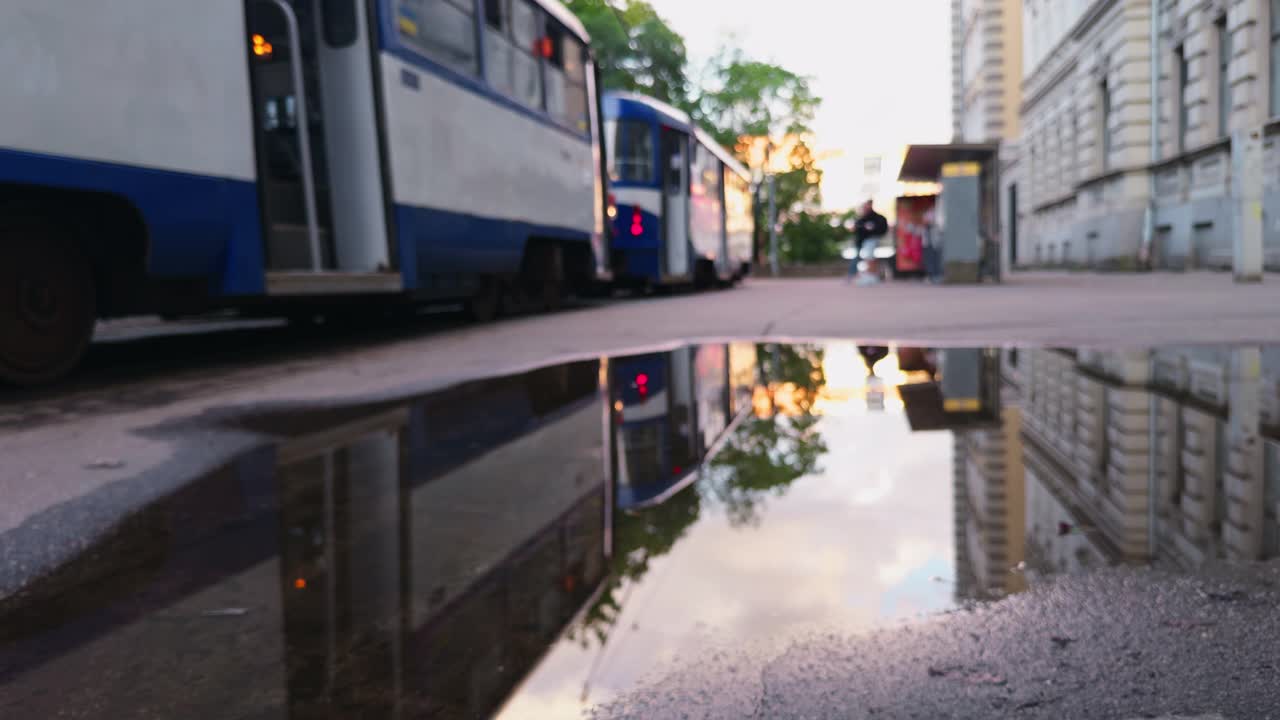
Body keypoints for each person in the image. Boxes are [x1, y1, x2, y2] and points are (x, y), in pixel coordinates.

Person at [844, 200, 889, 285]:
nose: (865, 208)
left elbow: (882, 229)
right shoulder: (862, 218)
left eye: (866, 206)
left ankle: (871, 276)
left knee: (870, 258)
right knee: (866, 258)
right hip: (862, 242)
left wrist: (874, 233)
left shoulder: (877, 218)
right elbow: (856, 229)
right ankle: (867, 276)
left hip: (871, 240)